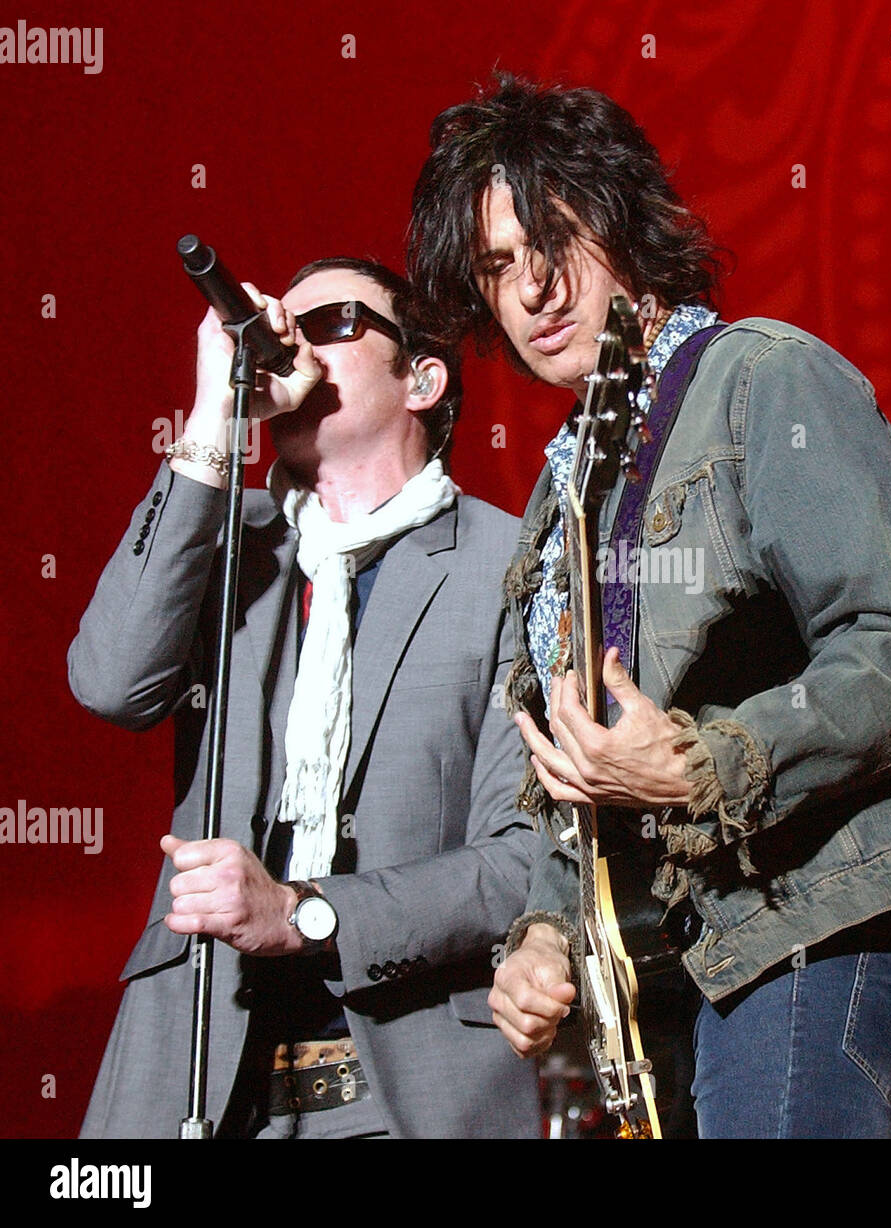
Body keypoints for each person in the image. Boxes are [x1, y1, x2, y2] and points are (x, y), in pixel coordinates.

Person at [407, 74, 891, 1138]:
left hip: (818, 925)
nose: (533, 290)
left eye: (556, 240)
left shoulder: (763, 380)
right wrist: (542, 935)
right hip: (671, 967)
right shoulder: (564, 487)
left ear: (624, 223)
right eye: (497, 268)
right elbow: (578, 776)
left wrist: (702, 761)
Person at [70, 257, 540, 1138]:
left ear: (423, 379)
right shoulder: (228, 543)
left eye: (333, 325)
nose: (297, 346)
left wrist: (302, 914)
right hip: (196, 1078)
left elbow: (522, 861)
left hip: (400, 1096)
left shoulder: (510, 565)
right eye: (287, 327)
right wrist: (217, 408)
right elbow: (111, 682)